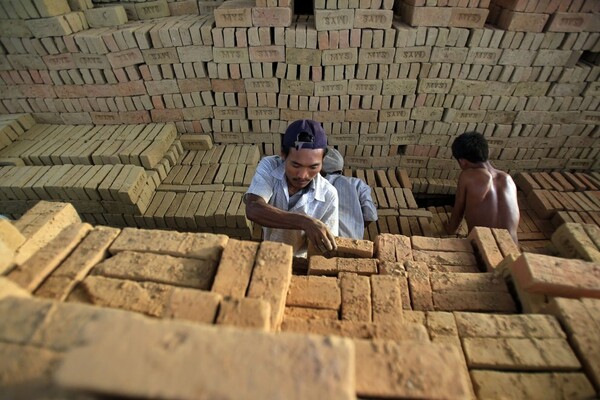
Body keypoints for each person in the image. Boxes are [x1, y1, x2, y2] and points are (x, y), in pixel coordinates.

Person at [244, 119, 339, 257]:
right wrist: (305, 222)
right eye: (295, 165)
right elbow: (253, 208)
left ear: (322, 161)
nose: (302, 175)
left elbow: (327, 249)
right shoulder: (270, 166)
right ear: (283, 154)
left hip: (300, 262)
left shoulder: (329, 194)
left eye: (313, 167)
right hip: (268, 251)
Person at [445, 131, 520, 243]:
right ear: (488, 152)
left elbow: (458, 211)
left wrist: (450, 230)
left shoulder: (467, 177)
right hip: (512, 248)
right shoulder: (508, 179)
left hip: (484, 249)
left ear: (462, 162)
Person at [321, 147, 377, 240]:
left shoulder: (317, 184)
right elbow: (371, 215)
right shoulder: (358, 184)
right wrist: (353, 228)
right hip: (352, 244)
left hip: (323, 242)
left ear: (320, 168)